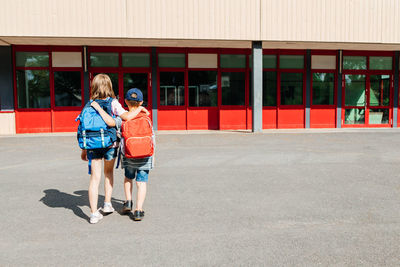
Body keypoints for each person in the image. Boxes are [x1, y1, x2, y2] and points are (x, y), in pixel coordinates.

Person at [81, 74, 148, 224]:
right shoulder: (114, 103)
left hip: (92, 145)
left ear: (94, 87)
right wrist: (142, 109)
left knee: (94, 178)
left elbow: (83, 128)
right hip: (110, 144)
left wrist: (83, 150)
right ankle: (107, 204)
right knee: (108, 173)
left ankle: (93, 214)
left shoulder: (89, 104)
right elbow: (127, 117)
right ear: (110, 87)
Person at [120, 88, 154, 221]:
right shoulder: (146, 117)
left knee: (128, 178)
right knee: (142, 182)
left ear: (125, 102)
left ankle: (128, 201)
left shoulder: (124, 119)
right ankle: (139, 210)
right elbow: (152, 138)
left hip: (129, 154)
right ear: (141, 103)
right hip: (145, 155)